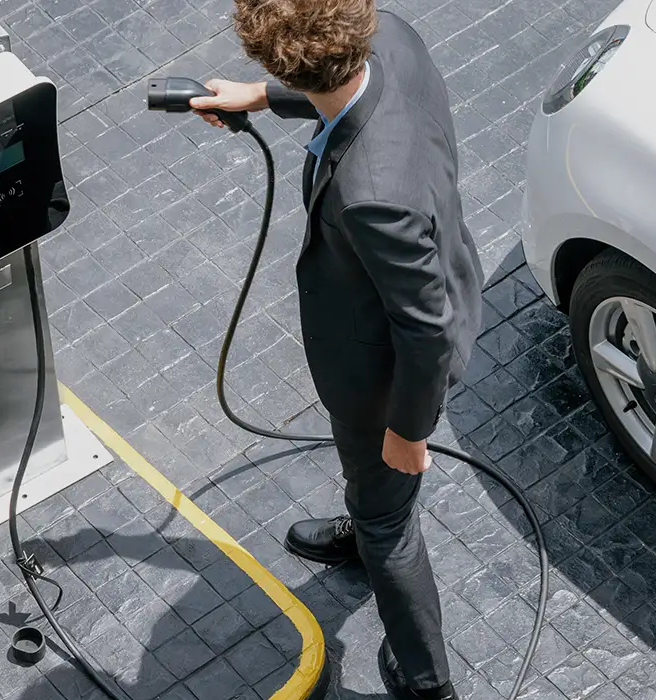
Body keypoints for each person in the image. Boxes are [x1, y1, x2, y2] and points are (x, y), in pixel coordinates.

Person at [188, 1, 481, 698]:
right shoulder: (395, 41)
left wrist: (409, 433)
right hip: (445, 273)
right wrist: (263, 96)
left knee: (389, 520)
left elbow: (425, 330)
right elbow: (347, 83)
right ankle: (368, 512)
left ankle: (426, 680)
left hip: (388, 379)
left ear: (276, 56)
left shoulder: (373, 196)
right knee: (374, 491)